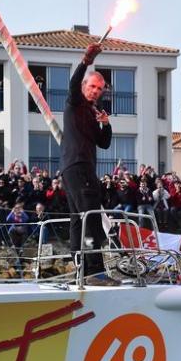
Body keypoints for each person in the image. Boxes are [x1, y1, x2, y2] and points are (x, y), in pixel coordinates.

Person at [60, 43, 114, 282]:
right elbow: (73, 84)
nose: (95, 91)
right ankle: (97, 272)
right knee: (91, 217)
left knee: (77, 219)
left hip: (77, 168)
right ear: (84, 86)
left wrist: (106, 123)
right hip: (78, 166)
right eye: (92, 86)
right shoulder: (74, 103)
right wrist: (85, 61)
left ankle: (81, 270)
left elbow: (103, 143)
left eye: (99, 89)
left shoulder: (93, 114)